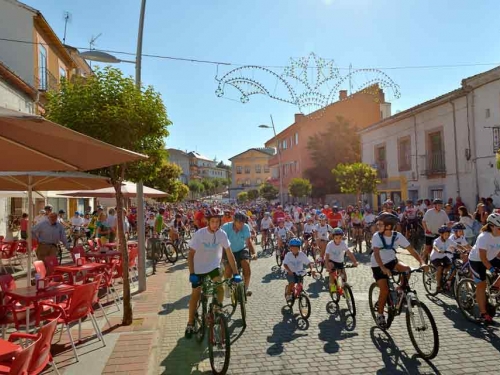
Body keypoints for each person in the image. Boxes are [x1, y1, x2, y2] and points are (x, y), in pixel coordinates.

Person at [185, 208, 241, 338]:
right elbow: (190, 255)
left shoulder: (222, 234)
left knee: (220, 288)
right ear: (208, 221)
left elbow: (229, 254)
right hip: (198, 269)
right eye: (213, 221)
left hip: (213, 267)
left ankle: (217, 312)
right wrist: (192, 273)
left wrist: (236, 273)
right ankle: (190, 322)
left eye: (217, 221)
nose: (215, 224)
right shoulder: (200, 234)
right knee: (196, 294)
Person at [371, 212, 426, 328]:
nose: (377, 226)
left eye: (380, 224)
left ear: (389, 226)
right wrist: (383, 268)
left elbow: (411, 250)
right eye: (378, 224)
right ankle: (380, 314)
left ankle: (400, 288)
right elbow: (376, 253)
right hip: (378, 264)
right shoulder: (377, 236)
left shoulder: (397, 236)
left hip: (392, 261)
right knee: (384, 290)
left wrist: (422, 262)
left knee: (407, 269)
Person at [468, 213, 500, 323]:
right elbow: (482, 257)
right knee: (481, 285)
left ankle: (495, 286)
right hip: (477, 260)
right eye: (499, 228)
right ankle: (483, 313)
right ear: (491, 226)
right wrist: (491, 269)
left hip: (490, 258)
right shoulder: (484, 237)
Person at [222, 212, 257, 297]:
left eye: (243, 222)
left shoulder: (245, 227)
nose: (241, 225)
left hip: (241, 249)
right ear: (234, 221)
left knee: (246, 265)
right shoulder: (226, 227)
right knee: (228, 270)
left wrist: (254, 253)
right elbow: (221, 243)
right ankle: (227, 287)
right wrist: (221, 256)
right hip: (228, 250)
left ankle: (245, 288)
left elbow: (248, 242)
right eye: (239, 222)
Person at [325, 228, 358, 292]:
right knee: (332, 273)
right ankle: (332, 286)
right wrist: (327, 266)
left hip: (340, 261)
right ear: (333, 238)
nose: (338, 240)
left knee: (344, 276)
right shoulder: (330, 244)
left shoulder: (343, 244)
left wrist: (355, 261)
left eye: (340, 238)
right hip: (332, 261)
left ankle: (344, 286)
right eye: (336, 238)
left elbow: (349, 253)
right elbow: (327, 256)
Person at [283, 238, 314, 302]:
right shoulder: (288, 255)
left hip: (299, 272)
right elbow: (285, 264)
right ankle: (288, 294)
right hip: (290, 272)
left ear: (299, 248)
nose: (294, 249)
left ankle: (298, 293)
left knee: (300, 284)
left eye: (296, 248)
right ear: (290, 248)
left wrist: (312, 269)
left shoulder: (302, 254)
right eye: (293, 248)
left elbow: (308, 262)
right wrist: (289, 271)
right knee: (292, 283)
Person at [422, 199, 450, 263]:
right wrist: (426, 229)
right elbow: (423, 221)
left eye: (441, 205)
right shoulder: (429, 212)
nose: (440, 206)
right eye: (438, 205)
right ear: (435, 205)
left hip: (438, 234)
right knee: (427, 248)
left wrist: (447, 230)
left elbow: (448, 223)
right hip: (429, 233)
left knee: (438, 248)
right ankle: (422, 263)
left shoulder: (443, 213)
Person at [430, 226, 457, 291]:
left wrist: (465, 249)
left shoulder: (448, 240)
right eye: (445, 235)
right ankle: (438, 285)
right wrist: (438, 250)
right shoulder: (437, 240)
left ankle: (444, 275)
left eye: (448, 235)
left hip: (443, 256)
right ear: (441, 234)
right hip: (435, 257)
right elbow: (434, 246)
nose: (447, 236)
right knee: (439, 268)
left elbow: (457, 245)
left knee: (450, 265)